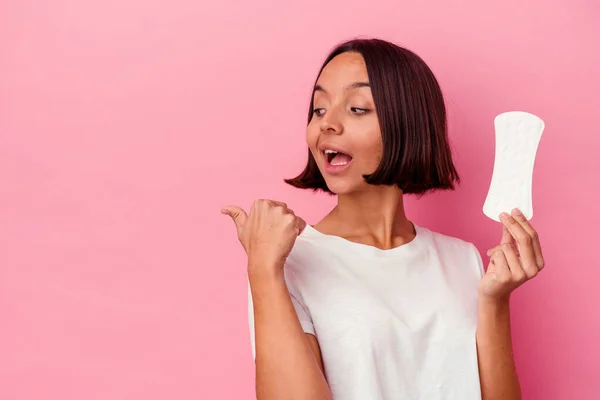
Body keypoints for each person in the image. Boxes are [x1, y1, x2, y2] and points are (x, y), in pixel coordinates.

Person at [221, 38, 545, 400]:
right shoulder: (287, 263)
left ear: (407, 125)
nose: (327, 124)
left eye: (356, 109)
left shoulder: (464, 260)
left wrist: (495, 300)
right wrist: (262, 271)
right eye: (318, 109)